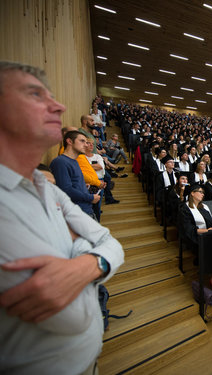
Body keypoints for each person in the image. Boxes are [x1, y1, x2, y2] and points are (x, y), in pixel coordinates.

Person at [0, 61, 124, 374]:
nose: (59, 106)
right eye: (35, 94)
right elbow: (73, 317)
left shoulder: (45, 187)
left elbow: (113, 245)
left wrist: (83, 261)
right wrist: (92, 250)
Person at [178, 184, 212, 293]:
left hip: (209, 234)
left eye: (203, 192)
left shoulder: (204, 206)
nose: (202, 194)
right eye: (200, 192)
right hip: (196, 238)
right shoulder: (185, 208)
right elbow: (189, 230)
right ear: (192, 193)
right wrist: (207, 231)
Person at [50, 130, 101, 219]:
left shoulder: (74, 161)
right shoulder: (60, 162)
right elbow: (66, 190)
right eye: (82, 141)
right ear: (69, 141)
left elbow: (72, 183)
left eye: (86, 142)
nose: (86, 144)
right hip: (77, 213)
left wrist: (81, 186)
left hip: (85, 210)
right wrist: (90, 197)